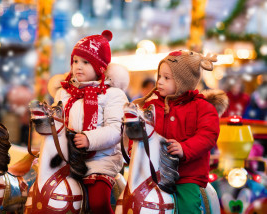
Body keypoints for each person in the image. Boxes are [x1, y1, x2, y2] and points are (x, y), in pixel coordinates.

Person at [133, 50, 228, 213]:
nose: (160, 82)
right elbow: (142, 135)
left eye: (167, 78)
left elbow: (207, 136)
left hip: (186, 175)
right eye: (159, 76)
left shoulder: (202, 108)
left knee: (188, 206)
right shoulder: (151, 107)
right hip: (154, 173)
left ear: (183, 82)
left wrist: (184, 148)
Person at [54, 30, 128, 214]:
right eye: (75, 61)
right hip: (67, 157)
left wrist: (89, 138)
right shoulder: (64, 93)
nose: (78, 66)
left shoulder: (112, 94)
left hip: (100, 159)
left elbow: (115, 129)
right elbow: (56, 123)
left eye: (86, 62)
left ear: (100, 67)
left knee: (97, 202)